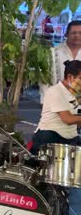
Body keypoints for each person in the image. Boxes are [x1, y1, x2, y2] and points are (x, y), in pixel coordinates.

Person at [29, 60, 81, 214]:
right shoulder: (55, 92)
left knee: (67, 184)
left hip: (69, 138)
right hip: (49, 139)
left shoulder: (75, 93)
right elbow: (68, 118)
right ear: (70, 77)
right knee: (48, 184)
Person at [40, 20, 81, 102]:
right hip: (57, 101)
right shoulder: (53, 52)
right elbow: (44, 78)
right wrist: (44, 100)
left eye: (80, 33)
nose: (77, 35)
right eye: (74, 33)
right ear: (66, 34)